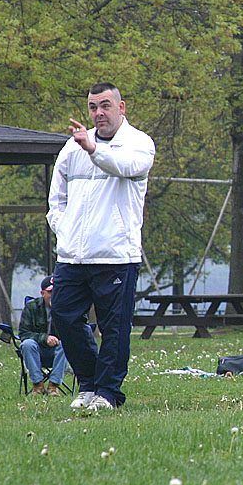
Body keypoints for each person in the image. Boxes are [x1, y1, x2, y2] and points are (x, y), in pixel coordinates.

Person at [47, 82, 155, 410]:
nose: (99, 113)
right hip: (73, 257)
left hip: (116, 256)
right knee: (64, 316)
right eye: (93, 107)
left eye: (106, 105)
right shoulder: (71, 148)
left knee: (114, 329)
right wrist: (65, 233)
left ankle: (108, 393)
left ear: (121, 108)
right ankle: (90, 383)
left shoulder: (139, 145)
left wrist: (93, 150)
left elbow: (123, 167)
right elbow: (57, 201)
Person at [18, 276, 68, 396]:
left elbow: (73, 332)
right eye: (50, 292)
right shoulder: (31, 307)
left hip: (57, 352)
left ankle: (53, 386)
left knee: (67, 344)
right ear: (42, 293)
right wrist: (45, 338)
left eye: (57, 291)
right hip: (36, 352)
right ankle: (38, 385)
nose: (54, 295)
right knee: (27, 344)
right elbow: (24, 333)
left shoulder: (66, 308)